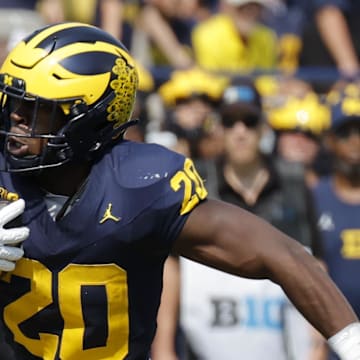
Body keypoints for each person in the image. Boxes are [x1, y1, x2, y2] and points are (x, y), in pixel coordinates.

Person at [0, 22, 359, 360]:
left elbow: (283, 255)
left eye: (35, 109)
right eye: (13, 104)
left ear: (89, 119)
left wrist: (351, 343)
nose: (16, 118)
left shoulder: (138, 186)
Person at [179, 81, 323, 359]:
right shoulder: (196, 181)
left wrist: (316, 342)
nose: (240, 131)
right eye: (230, 122)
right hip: (210, 342)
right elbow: (173, 266)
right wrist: (163, 349)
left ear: (263, 127)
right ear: (219, 129)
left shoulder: (293, 181)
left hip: (283, 344)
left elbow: (315, 262)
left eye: (249, 121)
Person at [311, 90, 360, 360]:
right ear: (329, 141)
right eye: (345, 134)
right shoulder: (313, 198)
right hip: (330, 342)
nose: (355, 143)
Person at [191, 0, 278, 72]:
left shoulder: (266, 37)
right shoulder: (207, 34)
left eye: (256, 7)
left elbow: (267, 80)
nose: (251, 12)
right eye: (243, 7)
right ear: (227, 8)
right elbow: (211, 79)